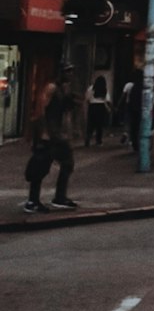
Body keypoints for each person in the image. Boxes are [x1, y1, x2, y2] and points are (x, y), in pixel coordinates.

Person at [24, 64, 78, 212]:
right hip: (49, 133)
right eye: (67, 71)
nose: (70, 74)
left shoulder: (64, 89)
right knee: (40, 167)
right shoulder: (51, 88)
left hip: (59, 135)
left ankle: (60, 197)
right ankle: (32, 201)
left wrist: (68, 134)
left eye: (72, 71)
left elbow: (67, 113)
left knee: (67, 163)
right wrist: (42, 133)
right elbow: (41, 110)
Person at [84, 74, 111, 147]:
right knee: (99, 125)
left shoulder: (91, 88)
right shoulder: (104, 89)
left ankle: (87, 139)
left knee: (90, 124)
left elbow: (87, 98)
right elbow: (107, 100)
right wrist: (108, 108)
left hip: (92, 106)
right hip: (101, 107)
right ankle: (98, 141)